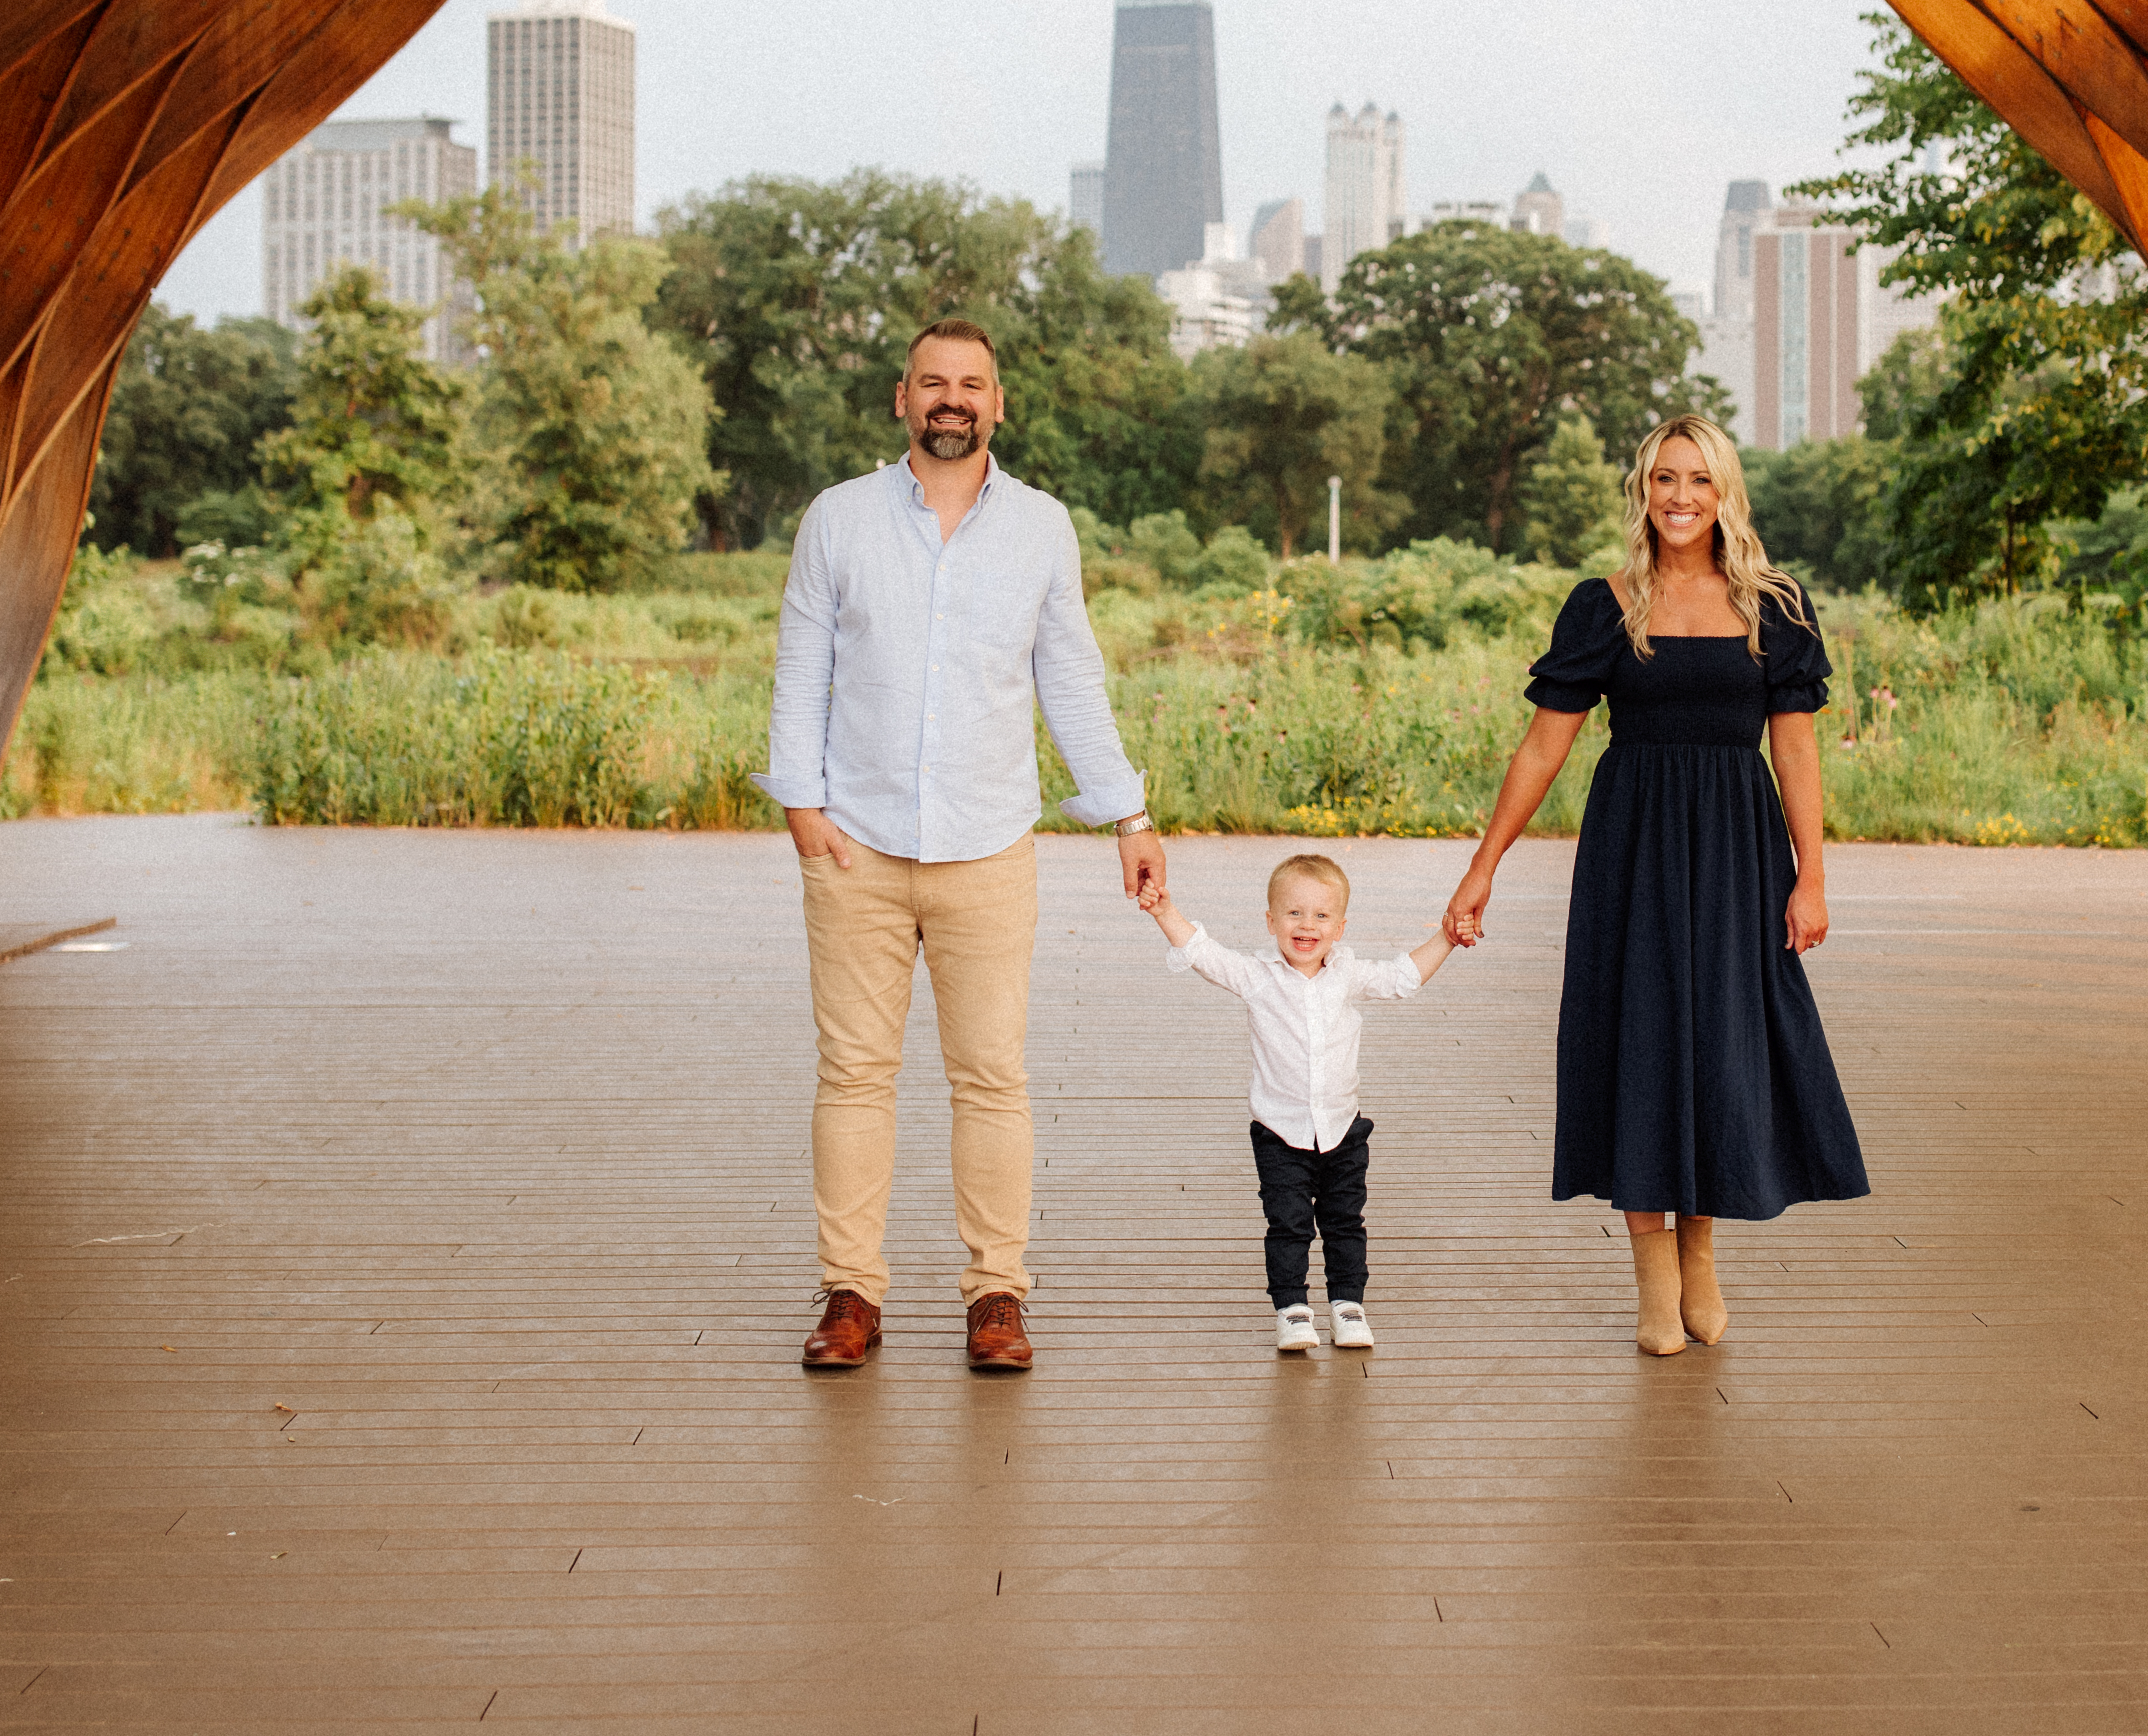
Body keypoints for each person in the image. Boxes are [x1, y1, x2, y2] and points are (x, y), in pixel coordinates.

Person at [754, 319, 1165, 1373]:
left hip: (989, 847)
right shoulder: (837, 520)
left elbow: (1068, 676)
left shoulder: (1039, 527)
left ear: (997, 403)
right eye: (932, 382)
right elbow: (802, 668)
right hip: (855, 846)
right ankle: (851, 1291)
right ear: (901, 398)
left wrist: (1126, 812)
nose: (952, 398)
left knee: (991, 1077)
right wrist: (801, 806)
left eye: (970, 384)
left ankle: (996, 1294)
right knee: (853, 1073)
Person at [1442, 412, 1866, 1354]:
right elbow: (1542, 746)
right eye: (1664, 478)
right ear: (1642, 489)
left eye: (1698, 481)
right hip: (1630, 849)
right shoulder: (1604, 602)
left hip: (1736, 852)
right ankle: (1649, 1273)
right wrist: (1482, 868)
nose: (1679, 497)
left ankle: (1701, 1251)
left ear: (1725, 495)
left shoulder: (1775, 604)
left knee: (1720, 1043)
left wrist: (1812, 878)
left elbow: (1795, 750)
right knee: (1635, 1040)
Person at [1142, 853, 1456, 1353]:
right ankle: (1291, 1310)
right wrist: (1164, 912)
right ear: (1270, 921)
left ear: (1340, 927)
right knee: (1287, 1224)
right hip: (1279, 1132)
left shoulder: (1347, 975)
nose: (1306, 925)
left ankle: (1347, 1305)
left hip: (1341, 1130)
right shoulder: (1256, 977)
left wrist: (1447, 937)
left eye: (1321, 916)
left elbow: (1403, 978)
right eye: (1293, 913)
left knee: (1344, 1222)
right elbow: (1202, 952)